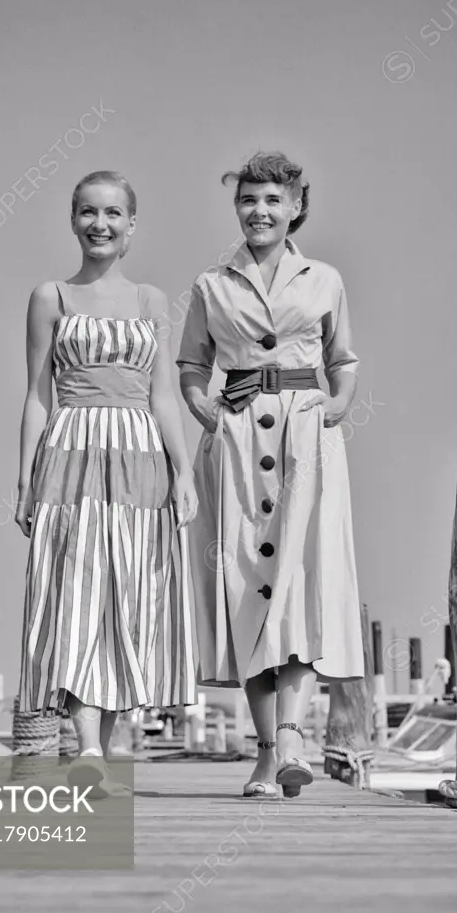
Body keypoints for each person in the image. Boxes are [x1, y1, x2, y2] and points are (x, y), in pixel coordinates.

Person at [176, 151, 365, 798]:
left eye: (270, 201)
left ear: (295, 208)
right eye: (247, 201)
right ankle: (265, 751)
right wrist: (202, 407)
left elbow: (343, 359)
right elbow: (190, 365)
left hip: (303, 438)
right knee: (245, 587)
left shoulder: (325, 279)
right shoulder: (211, 284)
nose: (258, 211)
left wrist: (336, 406)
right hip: (234, 438)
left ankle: (291, 737)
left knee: (302, 580)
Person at [15, 170, 198, 790]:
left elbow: (165, 397)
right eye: (89, 212)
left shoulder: (151, 301)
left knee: (131, 601)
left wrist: (185, 471)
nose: (100, 224)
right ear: (73, 220)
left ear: (131, 226)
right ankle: (86, 747)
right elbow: (39, 394)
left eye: (113, 214)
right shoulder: (51, 297)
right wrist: (25, 479)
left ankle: (103, 753)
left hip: (141, 458)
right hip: (70, 456)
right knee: (75, 600)